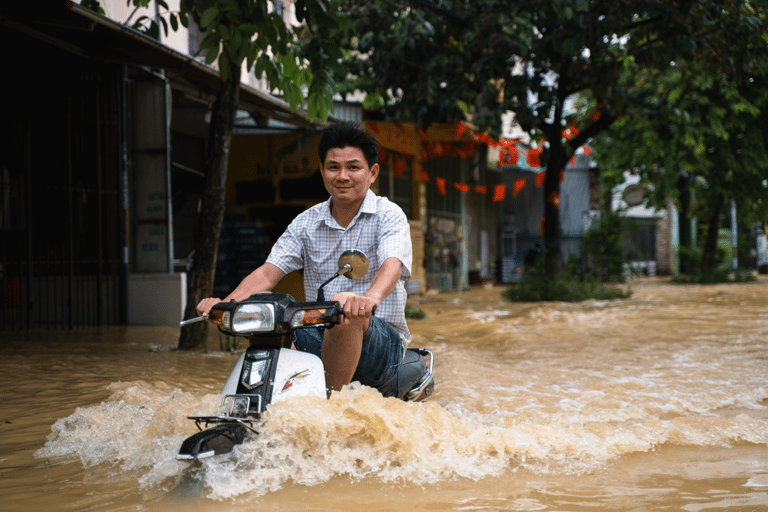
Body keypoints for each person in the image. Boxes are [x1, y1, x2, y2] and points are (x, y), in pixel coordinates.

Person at [196, 122, 413, 397]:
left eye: (353, 167)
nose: (342, 176)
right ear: (322, 172)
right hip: (319, 332)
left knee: (345, 303)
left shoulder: (389, 214)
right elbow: (267, 274)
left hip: (381, 343)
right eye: (333, 167)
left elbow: (392, 263)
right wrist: (225, 304)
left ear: (372, 173)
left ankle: (328, 407)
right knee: (269, 323)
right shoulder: (305, 222)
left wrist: (370, 299)